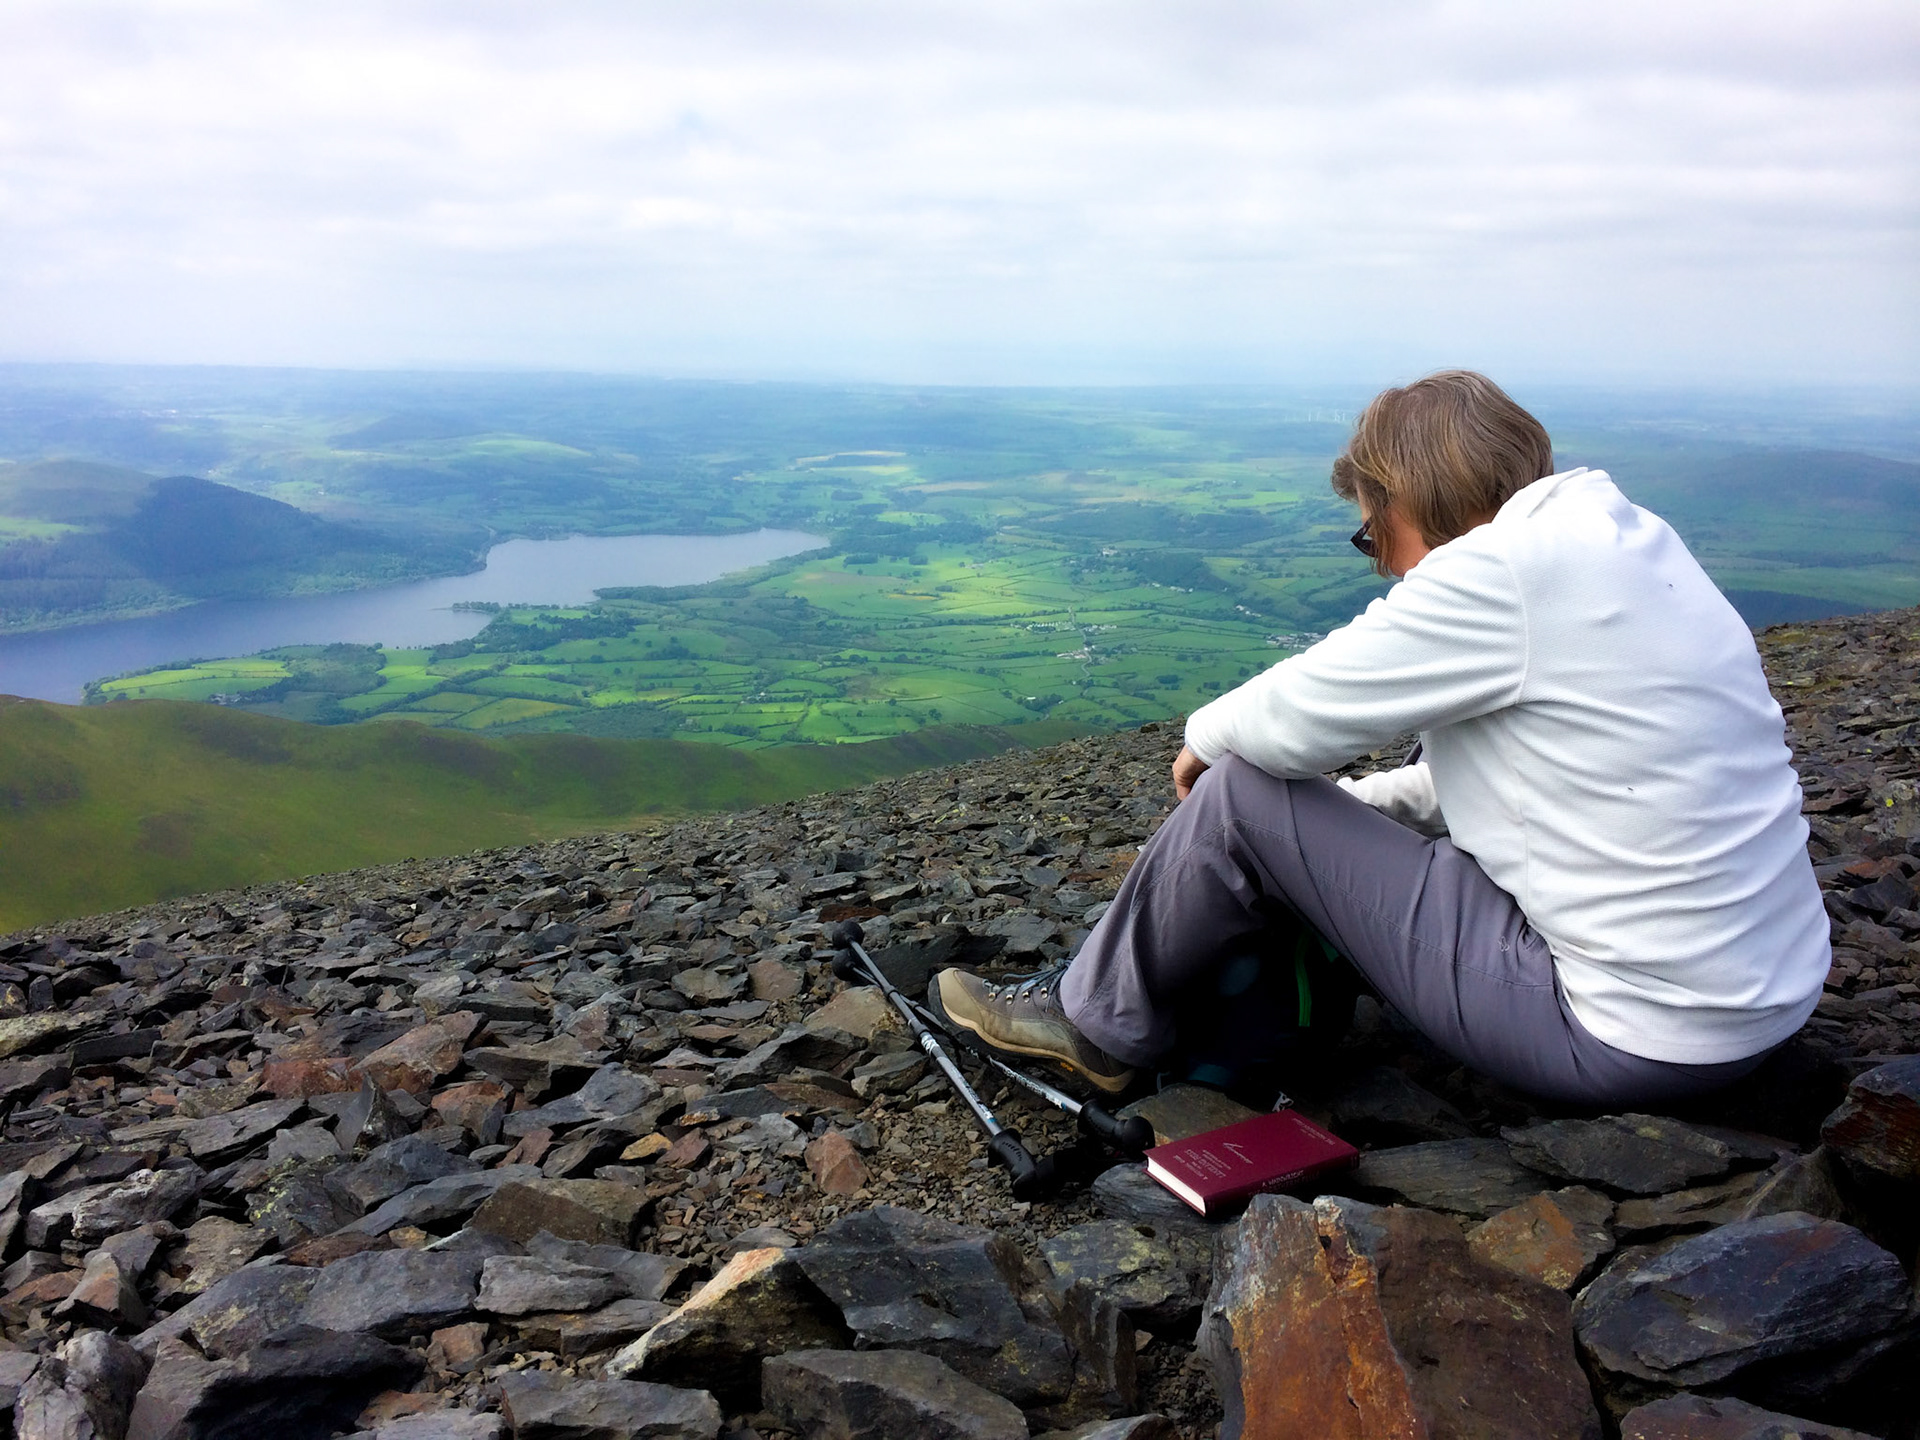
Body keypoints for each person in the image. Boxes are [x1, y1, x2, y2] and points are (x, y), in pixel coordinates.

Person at [928, 370, 1830, 1107]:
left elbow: (1284, 725)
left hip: (1634, 1038)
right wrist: (1322, 830)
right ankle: (1126, 987)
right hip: (1762, 1004)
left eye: (1371, 533)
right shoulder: (1626, 548)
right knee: (1282, 812)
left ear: (1405, 497)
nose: (1385, 563)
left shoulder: (1503, 570)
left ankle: (1089, 1026)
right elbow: (1492, 786)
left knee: (1241, 786)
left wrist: (1203, 748)